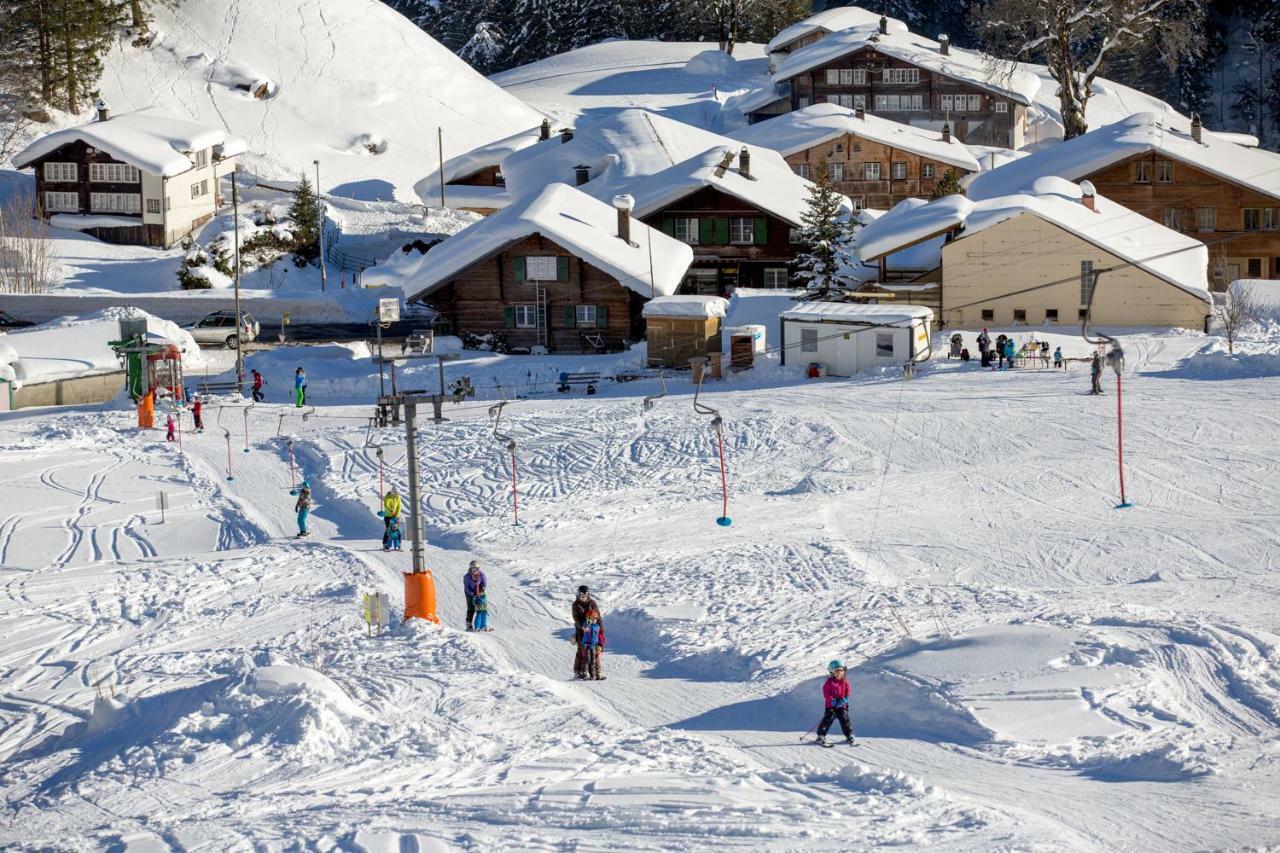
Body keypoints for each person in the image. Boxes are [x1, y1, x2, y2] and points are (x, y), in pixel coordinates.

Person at [815, 660, 854, 746]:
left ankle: (849, 735)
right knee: (828, 719)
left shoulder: (845, 681)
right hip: (831, 706)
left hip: (842, 705)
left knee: (845, 719)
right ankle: (821, 735)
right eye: (837, 671)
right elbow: (826, 694)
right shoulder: (828, 683)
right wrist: (832, 700)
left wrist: (845, 699)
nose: (839, 673)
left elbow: (848, 691)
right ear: (831, 672)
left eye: (841, 670)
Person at [577, 610, 606, 680]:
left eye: (595, 619)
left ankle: (592, 674)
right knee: (587, 659)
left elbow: (600, 636)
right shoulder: (586, 625)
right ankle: (585, 673)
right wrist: (587, 625)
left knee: (593, 660)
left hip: (594, 645)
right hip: (586, 645)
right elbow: (584, 628)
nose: (594, 620)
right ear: (588, 619)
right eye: (591, 619)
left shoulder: (597, 627)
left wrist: (600, 645)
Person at [463, 561, 487, 630]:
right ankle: (468, 624)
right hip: (469, 593)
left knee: (481, 608)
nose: (474, 571)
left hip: (479, 593)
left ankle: (482, 625)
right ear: (470, 569)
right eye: (472, 569)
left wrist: (482, 590)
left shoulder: (482, 575)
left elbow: (484, 584)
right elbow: (467, 588)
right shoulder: (467, 577)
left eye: (476, 569)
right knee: (471, 608)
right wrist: (473, 595)